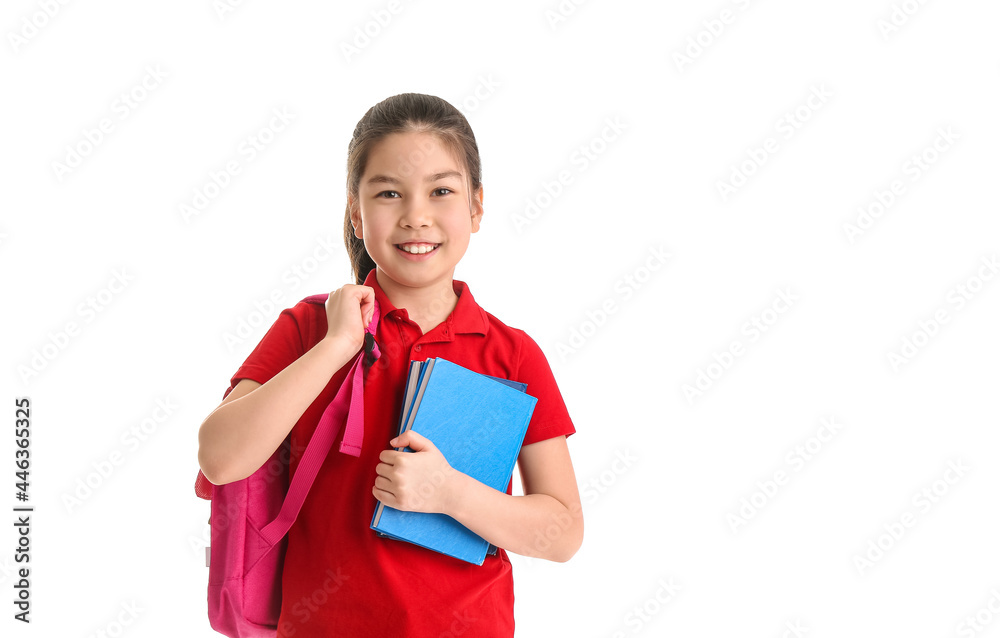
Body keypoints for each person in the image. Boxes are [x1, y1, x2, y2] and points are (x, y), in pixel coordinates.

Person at [196, 92, 582, 637]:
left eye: (441, 191)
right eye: (389, 193)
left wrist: (450, 493)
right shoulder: (309, 329)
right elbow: (220, 458)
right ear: (356, 212)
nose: (416, 215)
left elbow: (563, 532)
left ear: (475, 207)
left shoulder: (512, 353)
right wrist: (335, 346)